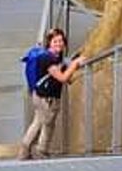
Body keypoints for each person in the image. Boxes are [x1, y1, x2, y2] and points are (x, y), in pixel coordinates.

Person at [19, 28, 82, 160]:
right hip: (45, 98)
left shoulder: (57, 58)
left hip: (43, 95)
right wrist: (75, 64)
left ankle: (25, 150)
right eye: (55, 41)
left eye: (60, 41)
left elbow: (66, 78)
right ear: (49, 43)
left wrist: (71, 66)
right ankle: (40, 150)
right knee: (48, 124)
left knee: (38, 122)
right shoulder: (47, 59)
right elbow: (63, 78)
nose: (58, 44)